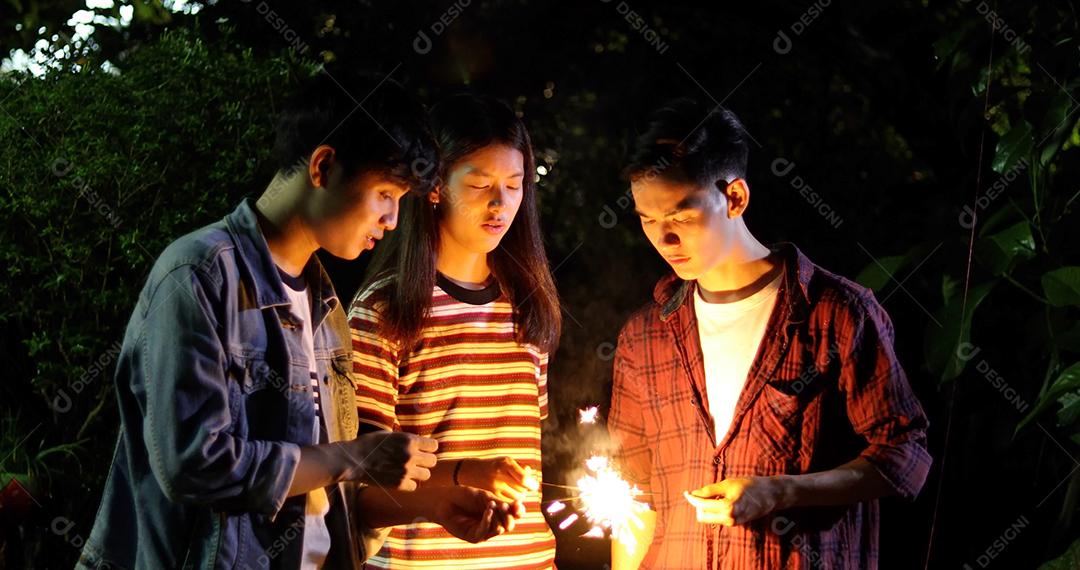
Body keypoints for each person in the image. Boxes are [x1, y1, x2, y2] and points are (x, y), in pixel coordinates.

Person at [78, 72, 514, 570]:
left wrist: (432, 505)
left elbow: (319, 490)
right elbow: (193, 464)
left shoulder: (325, 305)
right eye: (385, 194)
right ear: (324, 166)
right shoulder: (199, 274)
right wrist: (353, 457)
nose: (392, 220)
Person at [608, 99, 932, 569]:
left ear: (735, 198)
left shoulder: (837, 314)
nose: (664, 239)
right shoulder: (644, 337)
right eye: (647, 220)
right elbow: (633, 496)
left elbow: (904, 455)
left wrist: (780, 492)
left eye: (680, 216)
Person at [348, 93, 562, 568]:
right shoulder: (384, 311)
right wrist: (464, 476)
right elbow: (361, 480)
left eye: (514, 184)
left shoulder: (527, 309)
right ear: (436, 187)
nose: (500, 203)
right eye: (480, 184)